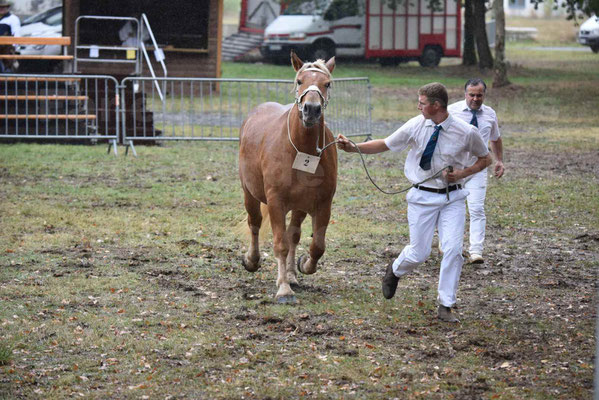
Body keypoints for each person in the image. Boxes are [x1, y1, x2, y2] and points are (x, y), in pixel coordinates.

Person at [336, 82, 492, 322]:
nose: (418, 106)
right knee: (419, 253)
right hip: (422, 196)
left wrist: (461, 174)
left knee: (453, 250)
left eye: (421, 103)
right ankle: (395, 270)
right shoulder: (415, 125)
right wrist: (354, 148)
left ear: (436, 105)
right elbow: (385, 144)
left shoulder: (466, 132)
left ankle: (445, 304)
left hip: (453, 197)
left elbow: (485, 159)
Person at [448, 79, 504, 264]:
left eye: (479, 95)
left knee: (477, 208)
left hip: (478, 168)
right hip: (455, 168)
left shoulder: (489, 114)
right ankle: (447, 244)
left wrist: (499, 160)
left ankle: (476, 251)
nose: (475, 98)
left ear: (484, 95)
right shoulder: (452, 111)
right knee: (449, 207)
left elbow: (495, 138)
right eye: (471, 94)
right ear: (465, 94)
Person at [0, 1, 20, 73]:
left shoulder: (13, 19)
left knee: (7, 68)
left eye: (3, 7)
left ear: (7, 8)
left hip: (6, 48)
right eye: (0, 7)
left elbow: (16, 34)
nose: (1, 9)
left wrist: (14, 48)